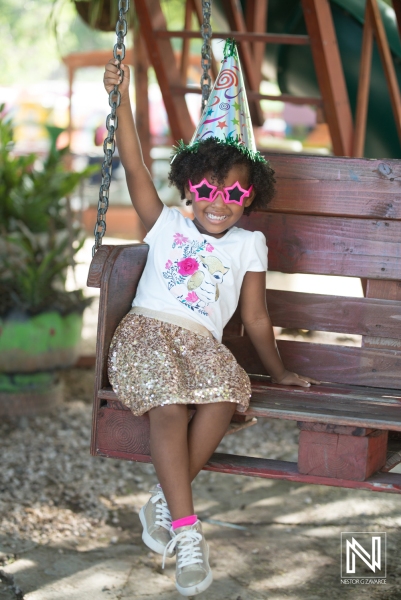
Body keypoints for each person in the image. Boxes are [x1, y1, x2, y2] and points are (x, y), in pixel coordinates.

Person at [103, 39, 319, 597]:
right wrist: (119, 97)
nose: (217, 201)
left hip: (201, 345)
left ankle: (161, 499)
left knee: (226, 392)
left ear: (251, 195)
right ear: (188, 187)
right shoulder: (167, 223)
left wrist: (280, 370)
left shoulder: (249, 245)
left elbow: (254, 315)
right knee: (170, 407)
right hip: (147, 332)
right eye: (205, 188)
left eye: (234, 191)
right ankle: (187, 529)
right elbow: (131, 163)